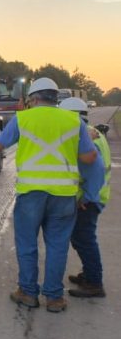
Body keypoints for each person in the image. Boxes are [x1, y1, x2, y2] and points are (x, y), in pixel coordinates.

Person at [0, 77, 98, 313]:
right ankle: (54, 298)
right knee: (57, 246)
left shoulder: (23, 119)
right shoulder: (74, 121)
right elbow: (89, 158)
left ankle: (28, 293)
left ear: (33, 98)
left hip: (31, 194)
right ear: (56, 98)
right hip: (64, 195)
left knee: (27, 245)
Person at [59, 97, 111, 298]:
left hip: (90, 200)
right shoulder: (93, 134)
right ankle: (89, 274)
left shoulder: (88, 139)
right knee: (81, 238)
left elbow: (96, 171)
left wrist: (87, 197)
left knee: (85, 239)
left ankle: (95, 283)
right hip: (95, 196)